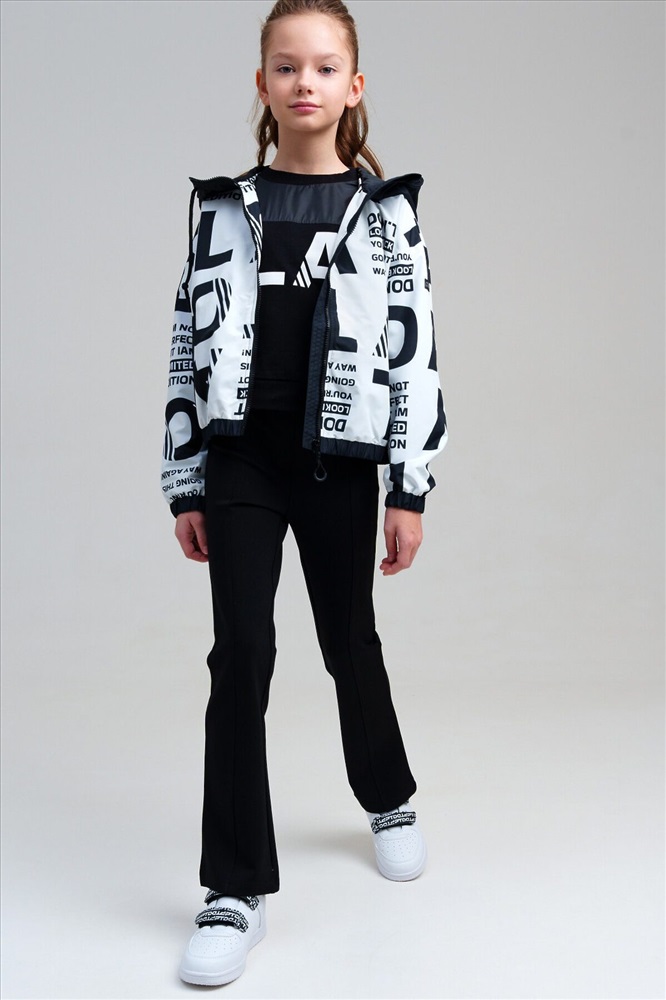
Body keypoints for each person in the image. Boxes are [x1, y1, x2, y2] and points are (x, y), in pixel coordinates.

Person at [161, 0, 447, 986]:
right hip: (242, 459)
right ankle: (233, 889)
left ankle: (388, 793)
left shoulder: (387, 212)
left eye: (325, 67)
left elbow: (415, 354)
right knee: (240, 651)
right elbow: (185, 344)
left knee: (347, 637)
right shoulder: (222, 208)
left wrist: (410, 485)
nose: (305, 83)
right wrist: (185, 478)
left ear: (353, 87)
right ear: (263, 84)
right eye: (286, 66)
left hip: (342, 461)